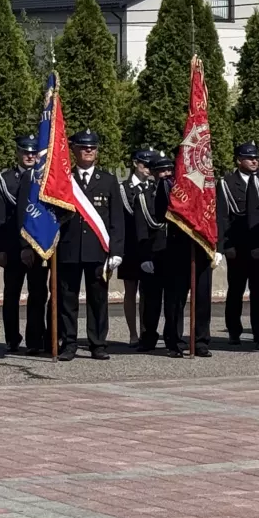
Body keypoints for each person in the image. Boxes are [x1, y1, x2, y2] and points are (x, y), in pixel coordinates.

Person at [54, 129, 125, 360]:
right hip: (69, 248)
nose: (88, 151)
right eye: (84, 147)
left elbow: (116, 219)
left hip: (97, 249)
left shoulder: (108, 180)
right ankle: (69, 343)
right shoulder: (64, 180)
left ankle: (98, 343)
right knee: (67, 299)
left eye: (92, 147)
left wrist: (116, 250)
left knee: (98, 299)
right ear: (74, 150)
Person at [155, 153, 218, 357]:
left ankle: (200, 341)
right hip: (178, 248)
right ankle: (175, 341)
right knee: (175, 299)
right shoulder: (168, 185)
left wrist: (219, 247)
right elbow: (159, 214)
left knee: (202, 297)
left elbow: (219, 215)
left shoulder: (209, 185)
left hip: (203, 247)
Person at [0, 135, 47, 354]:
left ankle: (34, 340)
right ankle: (12, 338)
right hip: (12, 245)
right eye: (25, 152)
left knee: (38, 294)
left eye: (33, 152)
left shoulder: (43, 179)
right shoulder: (6, 179)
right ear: (18, 153)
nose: (30, 156)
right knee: (12, 295)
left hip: (37, 246)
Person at [218, 142, 259, 346]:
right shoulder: (227, 183)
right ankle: (234, 329)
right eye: (249, 158)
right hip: (238, 246)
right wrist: (226, 245)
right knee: (236, 290)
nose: (254, 161)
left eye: (257, 157)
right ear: (238, 160)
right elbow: (223, 217)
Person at [123, 149, 168, 350]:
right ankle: (133, 333)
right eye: (144, 165)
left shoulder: (155, 188)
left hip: (150, 246)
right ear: (135, 163)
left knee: (148, 293)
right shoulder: (123, 188)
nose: (148, 169)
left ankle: (145, 330)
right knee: (131, 291)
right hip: (130, 246)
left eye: (151, 166)